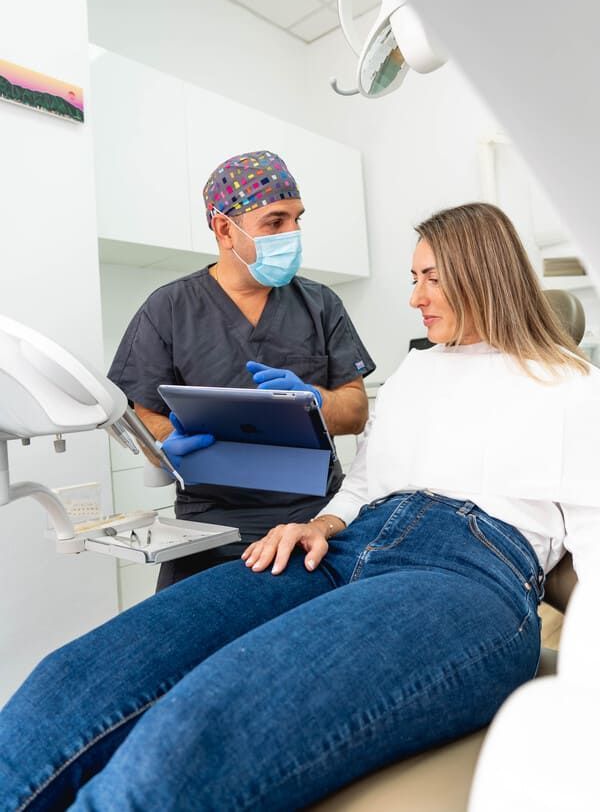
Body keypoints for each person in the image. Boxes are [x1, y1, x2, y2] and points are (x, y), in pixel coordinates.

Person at [2, 202, 600, 812]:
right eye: (412, 279)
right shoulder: (416, 374)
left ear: (485, 274)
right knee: (81, 676)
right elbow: (366, 483)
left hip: (465, 571)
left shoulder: (574, 387)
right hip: (342, 545)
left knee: (193, 733)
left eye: (431, 278)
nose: (415, 297)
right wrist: (320, 523)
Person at [107, 149, 375, 589]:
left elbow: (356, 409)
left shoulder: (320, 304)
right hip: (210, 526)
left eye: (297, 218)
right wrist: (168, 440)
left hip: (315, 519)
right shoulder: (169, 308)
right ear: (223, 229)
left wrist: (315, 399)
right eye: (275, 222)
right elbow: (139, 409)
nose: (293, 233)